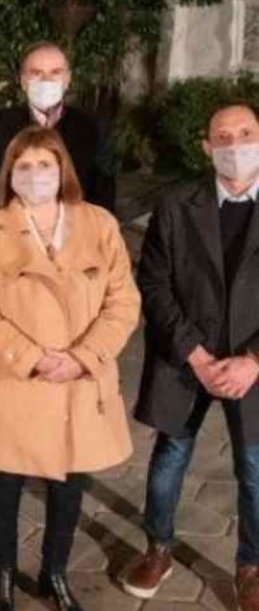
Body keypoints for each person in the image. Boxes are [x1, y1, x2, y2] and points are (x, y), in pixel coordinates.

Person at [0, 126, 139, 611]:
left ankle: (54, 572)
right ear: (9, 174)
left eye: (45, 164)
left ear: (63, 170)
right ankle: (3, 573)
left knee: (68, 487)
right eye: (24, 166)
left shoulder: (99, 224)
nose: (35, 174)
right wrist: (31, 358)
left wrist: (83, 357)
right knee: (4, 485)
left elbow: (123, 302)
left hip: (79, 381)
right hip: (15, 379)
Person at [122, 104, 259, 611]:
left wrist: (253, 360)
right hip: (186, 355)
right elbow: (154, 282)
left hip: (252, 364)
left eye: (246, 133)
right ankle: (158, 547)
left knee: (255, 468)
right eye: (222, 137)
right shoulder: (178, 204)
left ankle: (251, 566)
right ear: (206, 147)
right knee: (169, 457)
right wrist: (196, 356)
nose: (235, 145)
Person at [0, 42, 116, 215]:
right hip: (6, 226)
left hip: (73, 227)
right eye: (36, 73)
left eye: (55, 72)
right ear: (23, 81)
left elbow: (104, 196)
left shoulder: (93, 128)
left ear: (67, 80)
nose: (46, 81)